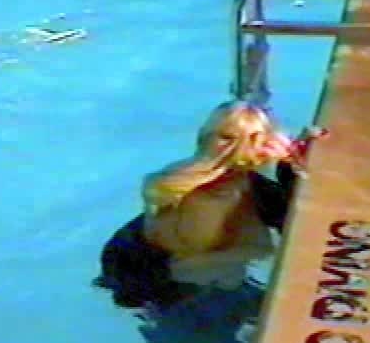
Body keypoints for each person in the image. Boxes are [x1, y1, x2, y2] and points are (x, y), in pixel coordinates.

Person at [93, 100, 319, 309]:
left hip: (137, 260)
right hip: (172, 283)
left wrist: (289, 167)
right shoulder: (216, 198)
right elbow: (285, 232)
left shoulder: (181, 177)